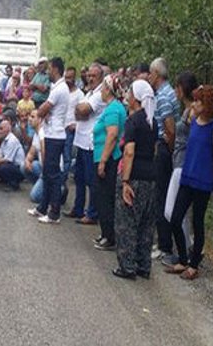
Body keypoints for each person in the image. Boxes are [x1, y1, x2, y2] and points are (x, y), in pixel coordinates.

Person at [165, 86, 213, 281]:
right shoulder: (193, 122)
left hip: (202, 181)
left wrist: (208, 176)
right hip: (187, 177)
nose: (196, 104)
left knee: (197, 222)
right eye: (196, 101)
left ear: (208, 105)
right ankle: (182, 257)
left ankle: (194, 264)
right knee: (175, 218)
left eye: (200, 101)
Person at [113, 80, 158, 280]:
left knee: (127, 221)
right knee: (146, 224)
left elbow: (129, 152)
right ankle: (143, 264)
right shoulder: (152, 122)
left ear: (136, 98)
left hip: (135, 176)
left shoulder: (133, 121)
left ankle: (127, 266)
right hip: (151, 176)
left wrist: (125, 181)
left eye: (130, 92)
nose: (127, 96)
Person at [162, 72, 199, 266]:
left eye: (178, 87)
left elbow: (197, 137)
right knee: (177, 211)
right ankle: (186, 248)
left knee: (174, 211)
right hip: (178, 161)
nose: (175, 91)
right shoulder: (186, 110)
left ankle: (185, 249)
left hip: (183, 164)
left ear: (183, 88)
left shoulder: (192, 112)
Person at [28, 57, 70, 224]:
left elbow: (43, 109)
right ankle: (42, 207)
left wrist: (41, 112)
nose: (48, 72)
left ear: (56, 69)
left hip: (55, 135)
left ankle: (54, 212)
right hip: (52, 133)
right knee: (46, 173)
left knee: (52, 175)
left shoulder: (59, 89)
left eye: (50, 69)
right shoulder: (57, 87)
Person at [149, 57, 181, 261]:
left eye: (151, 74)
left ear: (157, 75)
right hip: (166, 148)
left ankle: (164, 244)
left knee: (161, 196)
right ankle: (164, 242)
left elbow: (170, 129)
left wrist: (168, 151)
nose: (150, 78)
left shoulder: (162, 96)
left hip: (165, 149)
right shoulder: (168, 92)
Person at [92, 74, 126, 250]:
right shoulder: (112, 107)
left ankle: (110, 236)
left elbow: (112, 135)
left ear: (108, 89)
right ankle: (106, 233)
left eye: (103, 88)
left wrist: (103, 161)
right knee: (102, 196)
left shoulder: (113, 109)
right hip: (102, 156)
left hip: (109, 159)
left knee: (105, 196)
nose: (101, 91)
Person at [68, 63, 106, 224]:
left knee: (92, 181)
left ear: (101, 77)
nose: (90, 78)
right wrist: (80, 110)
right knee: (79, 179)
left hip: (91, 143)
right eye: (89, 75)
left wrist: (79, 109)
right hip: (81, 141)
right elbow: (79, 113)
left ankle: (92, 213)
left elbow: (83, 111)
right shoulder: (88, 93)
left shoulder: (99, 94)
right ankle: (78, 209)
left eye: (93, 76)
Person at [61, 67, 85, 202]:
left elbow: (83, 112)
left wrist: (76, 125)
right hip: (60, 129)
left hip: (70, 130)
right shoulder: (62, 91)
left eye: (71, 78)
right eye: (66, 77)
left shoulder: (80, 94)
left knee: (67, 158)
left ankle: (62, 184)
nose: (68, 80)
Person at [0, 120, 25, 190]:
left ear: (8, 129)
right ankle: (6, 181)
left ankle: (14, 184)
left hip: (19, 168)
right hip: (11, 166)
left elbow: (7, 160)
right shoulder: (4, 141)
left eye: (1, 129)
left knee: (3, 167)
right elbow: (0, 157)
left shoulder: (12, 140)